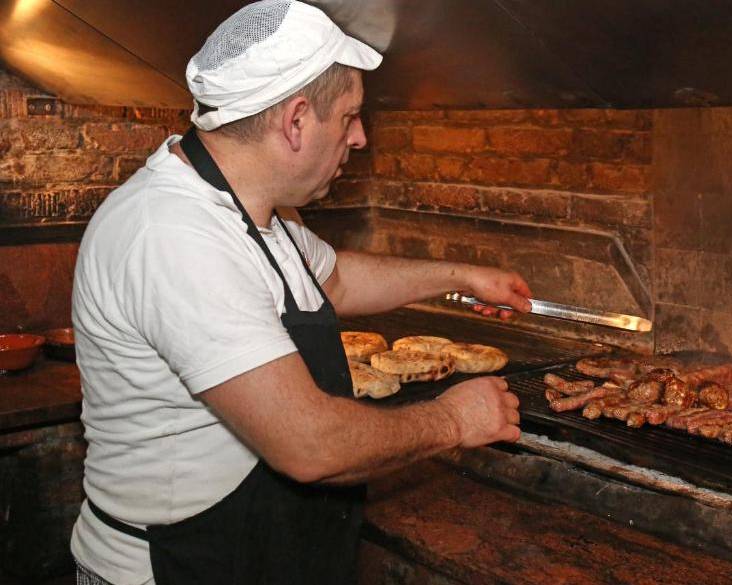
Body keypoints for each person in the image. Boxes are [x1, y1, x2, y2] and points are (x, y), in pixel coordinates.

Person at [69, 2, 531, 583]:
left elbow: (335, 281)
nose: (359, 137)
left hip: (248, 554)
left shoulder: (260, 208)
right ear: (296, 121)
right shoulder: (172, 234)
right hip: (171, 566)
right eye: (350, 117)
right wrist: (453, 419)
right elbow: (310, 446)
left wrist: (461, 277)